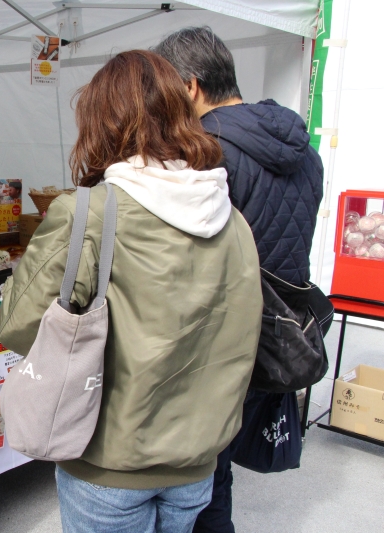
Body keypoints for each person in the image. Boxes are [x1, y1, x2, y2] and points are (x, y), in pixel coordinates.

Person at [0, 50, 262, 533]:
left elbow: (17, 327)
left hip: (109, 460)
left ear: (101, 124)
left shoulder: (88, 214)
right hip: (197, 461)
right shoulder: (232, 219)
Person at [154, 27, 324, 533]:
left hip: (220, 339)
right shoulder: (304, 149)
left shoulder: (206, 151)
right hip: (280, 332)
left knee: (204, 475)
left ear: (190, 86)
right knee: (219, 462)